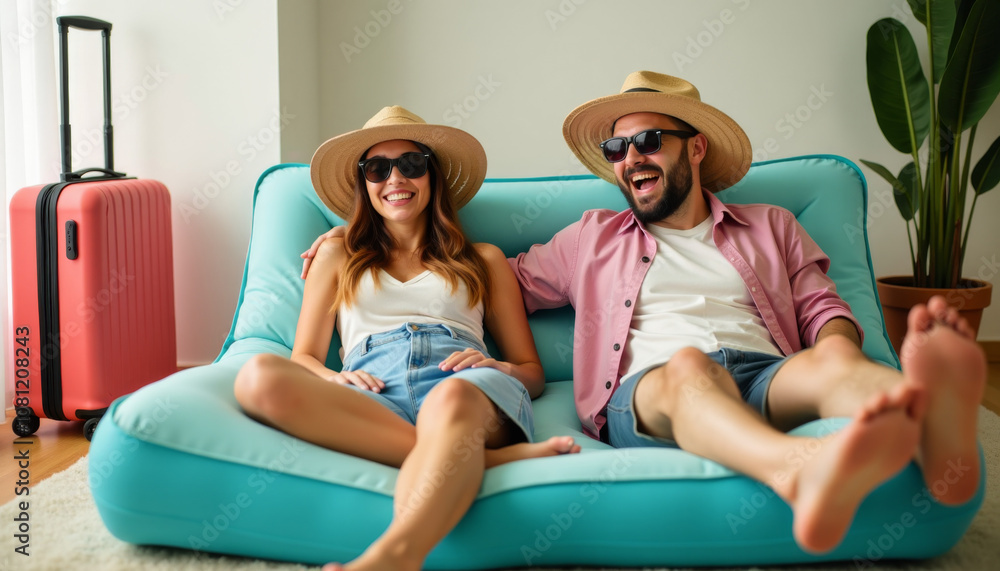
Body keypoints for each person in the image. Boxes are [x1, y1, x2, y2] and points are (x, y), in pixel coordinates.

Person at [299, 75, 987, 555]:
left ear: (695, 148)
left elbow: (823, 308)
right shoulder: (591, 238)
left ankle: (931, 415)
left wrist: (836, 345)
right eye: (617, 148)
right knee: (688, 367)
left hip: (766, 373)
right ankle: (796, 467)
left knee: (836, 357)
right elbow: (471, 279)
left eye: (649, 140)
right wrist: (356, 237)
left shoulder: (772, 224)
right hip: (656, 391)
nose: (631, 158)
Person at [235, 105, 580, 571]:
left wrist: (499, 367)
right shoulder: (337, 253)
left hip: (462, 383)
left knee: (452, 399)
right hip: (373, 388)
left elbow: (532, 373)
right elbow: (304, 357)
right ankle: (485, 459)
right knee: (257, 377)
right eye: (377, 168)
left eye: (411, 164)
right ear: (365, 184)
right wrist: (331, 379)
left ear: (432, 177)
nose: (395, 178)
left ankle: (395, 556)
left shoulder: (484, 259)